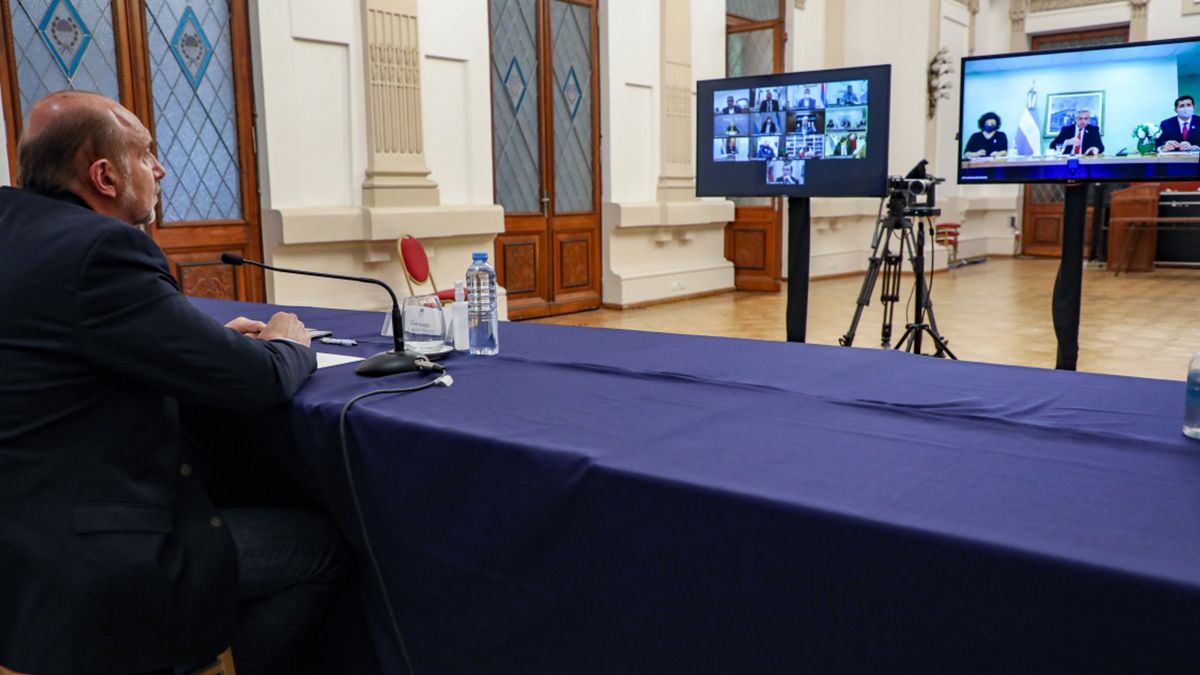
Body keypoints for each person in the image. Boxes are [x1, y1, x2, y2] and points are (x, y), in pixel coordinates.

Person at [0, 91, 353, 675]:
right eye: (145, 152)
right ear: (105, 176)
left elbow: (76, 332)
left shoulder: (18, 230)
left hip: (18, 536)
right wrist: (288, 341)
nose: (160, 168)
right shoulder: (104, 250)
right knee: (321, 548)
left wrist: (202, 337)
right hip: (89, 555)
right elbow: (255, 382)